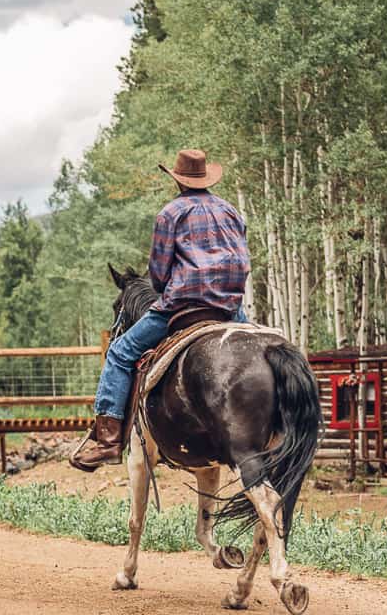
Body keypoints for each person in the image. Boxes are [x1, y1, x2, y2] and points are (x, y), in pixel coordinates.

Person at [70, 149, 251, 473]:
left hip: (182, 307)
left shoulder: (171, 214)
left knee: (120, 353)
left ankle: (108, 441)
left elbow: (158, 274)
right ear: (205, 177)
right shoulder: (230, 210)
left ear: (178, 180)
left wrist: (176, 282)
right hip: (229, 308)